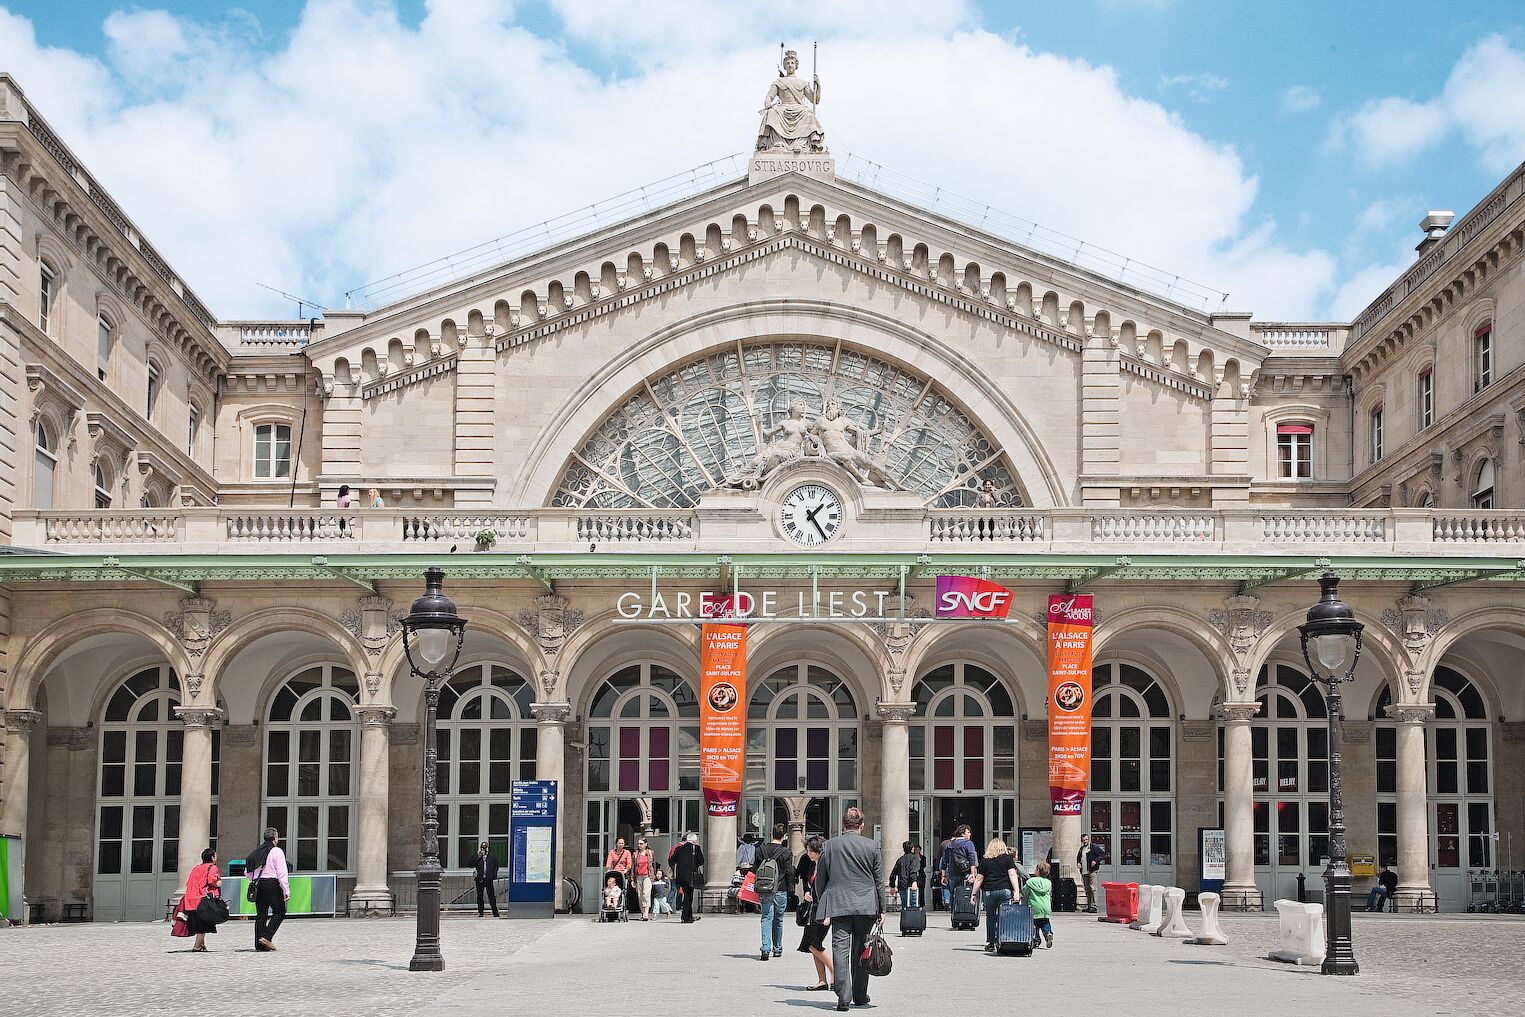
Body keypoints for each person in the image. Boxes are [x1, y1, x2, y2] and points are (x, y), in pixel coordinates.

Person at [813, 806, 885, 1013]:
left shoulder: (830, 846)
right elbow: (878, 881)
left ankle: (843, 996)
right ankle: (861, 996)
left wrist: (822, 901)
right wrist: (882, 908)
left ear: (844, 825)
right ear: (861, 826)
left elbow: (821, 878)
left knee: (840, 949)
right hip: (866, 905)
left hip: (839, 904)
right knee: (861, 949)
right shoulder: (872, 846)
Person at [970, 837, 1024, 954]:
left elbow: (979, 879)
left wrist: (973, 893)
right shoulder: (1007, 859)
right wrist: (1016, 891)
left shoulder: (985, 861)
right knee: (1003, 916)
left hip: (989, 891)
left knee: (991, 917)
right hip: (1005, 890)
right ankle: (1003, 939)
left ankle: (991, 942)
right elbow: (1012, 875)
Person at [755, 822, 797, 961]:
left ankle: (765, 948)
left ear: (771, 834)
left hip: (765, 888)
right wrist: (791, 889)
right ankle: (777, 948)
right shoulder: (786, 852)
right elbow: (789, 871)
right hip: (780, 889)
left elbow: (755, 868)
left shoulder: (760, 850)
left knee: (766, 917)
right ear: (784, 836)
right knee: (778, 920)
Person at [795, 835, 832, 993]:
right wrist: (807, 893)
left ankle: (835, 971)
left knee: (813, 944)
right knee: (812, 946)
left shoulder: (827, 866)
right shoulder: (813, 865)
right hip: (812, 910)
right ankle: (822, 980)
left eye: (810, 850)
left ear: (818, 851)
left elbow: (831, 891)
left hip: (822, 911)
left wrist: (829, 914)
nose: (808, 853)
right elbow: (812, 886)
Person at [245, 827, 289, 952]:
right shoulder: (276, 851)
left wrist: (253, 878)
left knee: (261, 914)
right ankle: (266, 937)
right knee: (279, 911)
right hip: (271, 883)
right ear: (275, 839)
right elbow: (282, 873)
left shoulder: (256, 852)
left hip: (258, 883)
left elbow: (247, 871)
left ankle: (259, 945)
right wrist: (286, 890)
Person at [181, 847, 222, 953]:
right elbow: (212, 880)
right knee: (203, 925)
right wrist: (218, 883)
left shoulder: (196, 868)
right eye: (215, 856)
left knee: (199, 923)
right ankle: (196, 946)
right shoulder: (212, 867)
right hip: (203, 899)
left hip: (191, 899)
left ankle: (202, 945)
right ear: (212, 857)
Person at [939, 824, 978, 904]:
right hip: (965, 872)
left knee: (953, 894)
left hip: (952, 873)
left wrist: (943, 875)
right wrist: (972, 873)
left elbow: (944, 861)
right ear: (963, 833)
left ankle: (954, 912)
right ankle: (964, 911)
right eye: (968, 832)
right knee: (965, 894)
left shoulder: (950, 844)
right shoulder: (968, 843)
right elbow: (972, 858)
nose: (970, 834)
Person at [671, 832, 706, 923]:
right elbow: (701, 861)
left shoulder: (678, 849)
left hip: (680, 876)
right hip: (690, 876)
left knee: (686, 894)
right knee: (688, 896)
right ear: (694, 841)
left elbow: (672, 860)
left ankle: (688, 915)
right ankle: (686, 917)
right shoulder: (696, 848)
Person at [1024, 860, 1054, 949]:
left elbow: (1025, 892)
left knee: (1035, 924)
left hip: (1034, 907)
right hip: (1045, 907)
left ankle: (1036, 940)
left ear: (1037, 871)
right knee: (1045, 923)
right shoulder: (1048, 883)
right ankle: (1048, 933)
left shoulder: (1031, 881)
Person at [1077, 832, 1106, 913]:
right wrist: (1078, 863)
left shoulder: (1094, 847)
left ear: (1088, 839)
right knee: (1087, 889)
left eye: (1086, 839)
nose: (1085, 841)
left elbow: (1103, 855)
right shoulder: (1081, 849)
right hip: (1084, 871)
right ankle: (1089, 905)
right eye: (1083, 840)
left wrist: (1095, 861)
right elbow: (1078, 858)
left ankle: (1094, 906)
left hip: (1092, 870)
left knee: (1093, 888)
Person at [890, 840, 920, 911]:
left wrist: (892, 886)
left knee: (904, 906)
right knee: (913, 906)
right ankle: (912, 921)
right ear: (912, 848)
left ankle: (905, 919)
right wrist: (914, 881)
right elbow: (913, 870)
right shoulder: (914, 858)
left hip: (902, 885)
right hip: (911, 885)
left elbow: (893, 874)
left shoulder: (900, 860)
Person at [473, 841, 500, 918]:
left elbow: (496, 867)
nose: (484, 850)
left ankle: (495, 912)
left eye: (485, 848)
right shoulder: (478, 856)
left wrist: (493, 876)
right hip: (480, 879)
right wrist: (478, 857)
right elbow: (471, 863)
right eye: (482, 848)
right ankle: (480, 912)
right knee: (480, 896)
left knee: (491, 896)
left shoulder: (492, 857)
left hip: (488, 879)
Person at [632, 837, 656, 921]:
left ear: (646, 844)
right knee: (640, 895)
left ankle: (646, 913)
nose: (639, 845)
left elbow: (653, 865)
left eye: (641, 843)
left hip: (647, 876)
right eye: (638, 843)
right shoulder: (635, 854)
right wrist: (632, 879)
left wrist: (653, 876)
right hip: (638, 876)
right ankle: (642, 912)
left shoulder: (650, 853)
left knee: (646, 894)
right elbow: (633, 867)